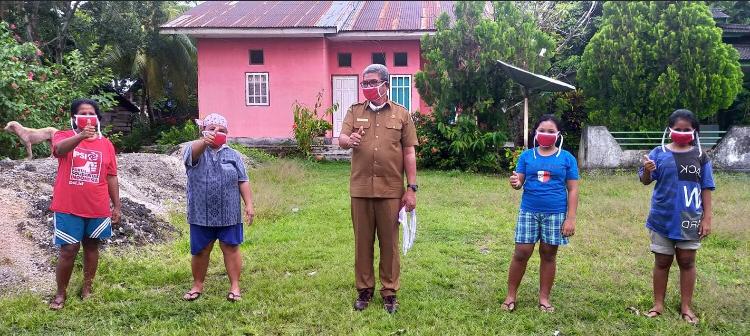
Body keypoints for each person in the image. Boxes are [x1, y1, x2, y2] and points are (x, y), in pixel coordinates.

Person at [338, 64, 419, 314]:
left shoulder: (401, 114)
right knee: (362, 243)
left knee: (389, 244)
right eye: (365, 83)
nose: (368, 88)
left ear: (386, 84)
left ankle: (389, 292)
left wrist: (411, 188)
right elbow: (341, 139)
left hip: (390, 190)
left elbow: (409, 152)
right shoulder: (354, 112)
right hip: (360, 189)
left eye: (373, 83)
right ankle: (364, 290)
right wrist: (348, 141)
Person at [639, 109, 714, 325]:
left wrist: (707, 219)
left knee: (687, 261)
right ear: (669, 130)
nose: (682, 133)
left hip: (690, 219)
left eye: (687, 130)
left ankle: (686, 306)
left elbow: (706, 188)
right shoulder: (658, 153)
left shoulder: (700, 156)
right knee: (662, 261)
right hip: (662, 218)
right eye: (677, 129)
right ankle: (658, 305)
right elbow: (645, 180)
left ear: (694, 132)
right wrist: (646, 170)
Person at [502, 114, 579, 313]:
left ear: (558, 134)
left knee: (548, 255)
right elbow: (519, 181)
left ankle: (544, 298)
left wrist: (570, 218)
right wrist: (516, 183)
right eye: (542, 131)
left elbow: (573, 189)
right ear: (535, 133)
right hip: (529, 211)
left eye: (551, 131)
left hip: (555, 214)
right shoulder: (527, 156)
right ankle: (510, 296)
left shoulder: (567, 158)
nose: (546, 134)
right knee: (521, 253)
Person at [48, 99, 121, 310]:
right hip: (68, 206)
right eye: (83, 113)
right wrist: (80, 136)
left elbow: (111, 176)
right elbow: (59, 151)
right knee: (68, 250)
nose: (88, 116)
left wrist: (116, 206)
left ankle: (87, 288)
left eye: (91, 113)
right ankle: (60, 294)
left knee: (92, 247)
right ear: (74, 118)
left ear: (97, 118)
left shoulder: (106, 144)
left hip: (97, 207)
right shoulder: (63, 135)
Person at [182, 113, 255, 302]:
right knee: (201, 250)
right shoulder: (194, 149)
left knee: (231, 247)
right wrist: (204, 141)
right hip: (201, 213)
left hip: (229, 213)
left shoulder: (233, 155)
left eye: (222, 130)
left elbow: (243, 180)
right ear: (203, 131)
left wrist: (249, 205)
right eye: (212, 129)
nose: (217, 133)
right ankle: (197, 285)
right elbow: (191, 156)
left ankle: (235, 287)